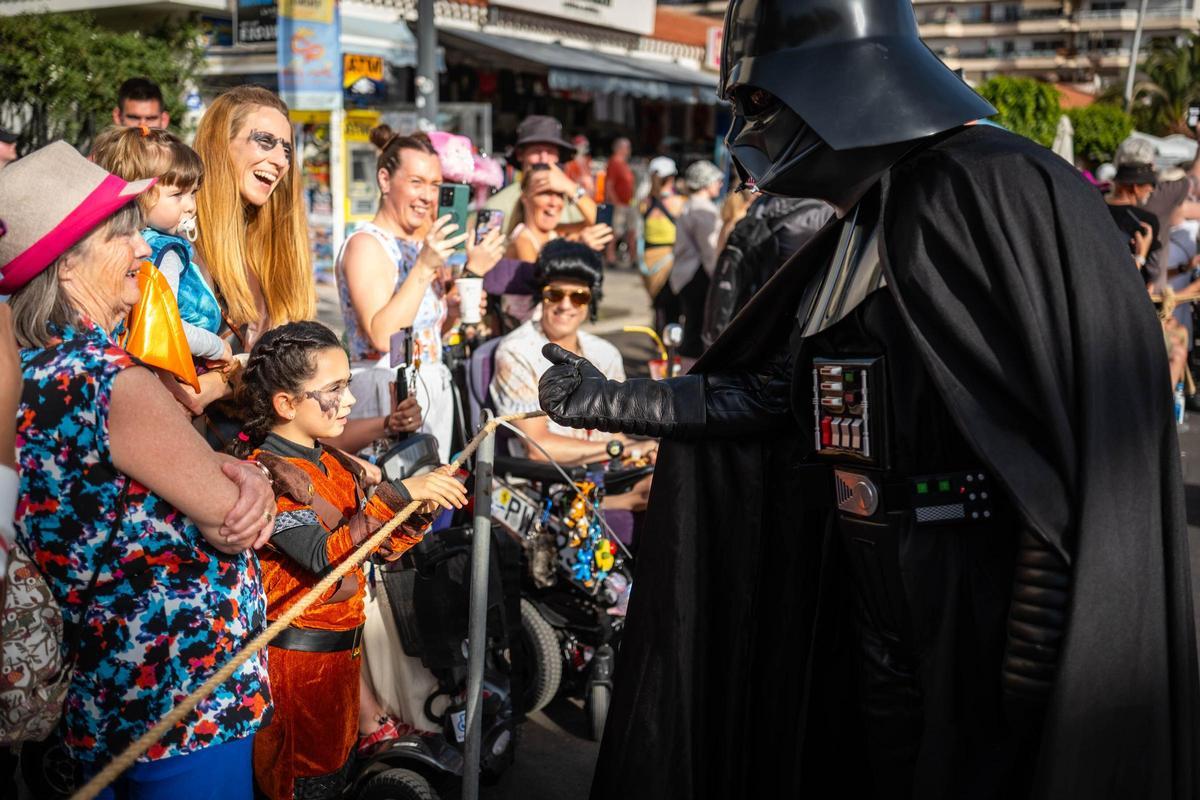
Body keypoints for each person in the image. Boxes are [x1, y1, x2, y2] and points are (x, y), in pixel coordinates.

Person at [539, 0, 1198, 797]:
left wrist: (1040, 636)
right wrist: (610, 401)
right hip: (869, 579)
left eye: (758, 103)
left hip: (968, 587)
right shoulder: (865, 217)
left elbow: (1055, 455)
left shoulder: (987, 188)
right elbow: (780, 397)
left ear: (832, 81)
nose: (748, 131)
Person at [1, 142, 275, 796]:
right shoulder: (109, 381)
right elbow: (231, 517)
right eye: (124, 235)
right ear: (68, 264)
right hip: (174, 703)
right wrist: (252, 477)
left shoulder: (28, 374)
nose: (146, 249)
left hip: (91, 697)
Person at [229, 321, 466, 800]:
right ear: (286, 404)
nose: (351, 401)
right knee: (300, 782)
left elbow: (372, 551)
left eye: (347, 385)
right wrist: (398, 493)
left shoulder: (332, 462)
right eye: (334, 389)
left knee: (336, 775)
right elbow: (323, 559)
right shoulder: (268, 473)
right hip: (296, 667)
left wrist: (417, 513)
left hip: (341, 661)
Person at [337, 127, 503, 463]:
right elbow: (384, 336)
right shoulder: (366, 244)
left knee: (429, 503)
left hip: (428, 390)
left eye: (435, 185)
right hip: (384, 396)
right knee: (391, 504)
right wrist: (425, 268)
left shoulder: (420, 245)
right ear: (385, 180)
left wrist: (453, 310)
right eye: (416, 182)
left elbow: (421, 336)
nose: (428, 196)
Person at [183, 85, 315, 423]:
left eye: (286, 148)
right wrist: (227, 378)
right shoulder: (179, 245)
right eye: (265, 142)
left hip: (254, 447)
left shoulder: (270, 247)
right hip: (193, 447)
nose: (281, 160)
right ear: (220, 146)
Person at [492, 240, 651, 514]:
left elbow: (615, 431)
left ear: (591, 300)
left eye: (579, 296)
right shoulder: (516, 351)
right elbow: (538, 447)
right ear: (541, 296)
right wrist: (623, 449)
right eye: (555, 294)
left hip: (606, 472)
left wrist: (644, 452)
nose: (566, 305)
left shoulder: (606, 353)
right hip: (547, 484)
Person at [90, 125, 231, 365]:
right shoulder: (166, 252)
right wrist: (217, 347)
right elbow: (167, 326)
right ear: (139, 195)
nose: (190, 206)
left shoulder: (117, 244)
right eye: (178, 195)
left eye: (193, 193)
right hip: (175, 366)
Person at [483, 115, 598, 236]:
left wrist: (571, 187)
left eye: (550, 151)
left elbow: (598, 223)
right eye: (536, 151)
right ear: (520, 155)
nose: (544, 159)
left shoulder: (570, 195)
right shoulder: (498, 204)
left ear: (558, 157)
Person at [667, 160, 723, 359]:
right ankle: (691, 378)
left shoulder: (690, 205)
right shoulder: (703, 210)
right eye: (717, 180)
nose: (720, 184)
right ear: (705, 183)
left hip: (684, 273)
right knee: (698, 329)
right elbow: (709, 249)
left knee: (691, 324)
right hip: (697, 274)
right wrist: (718, 278)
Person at [640, 156, 685, 329]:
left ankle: (660, 344)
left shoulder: (645, 203)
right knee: (671, 307)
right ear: (672, 177)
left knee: (658, 305)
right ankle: (668, 347)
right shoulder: (678, 203)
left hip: (648, 261)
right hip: (670, 260)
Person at [1106, 159, 1162, 280]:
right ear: (1136, 187)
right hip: (1132, 288)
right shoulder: (1147, 221)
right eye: (1150, 184)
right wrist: (1140, 256)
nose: (1152, 189)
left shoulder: (1094, 209)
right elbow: (1154, 270)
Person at [605, 137, 636, 267]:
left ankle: (633, 258)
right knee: (616, 232)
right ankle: (610, 257)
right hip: (619, 204)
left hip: (628, 203)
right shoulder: (614, 163)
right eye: (627, 147)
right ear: (620, 149)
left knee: (631, 231)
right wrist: (615, 202)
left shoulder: (623, 163)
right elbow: (609, 185)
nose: (629, 150)